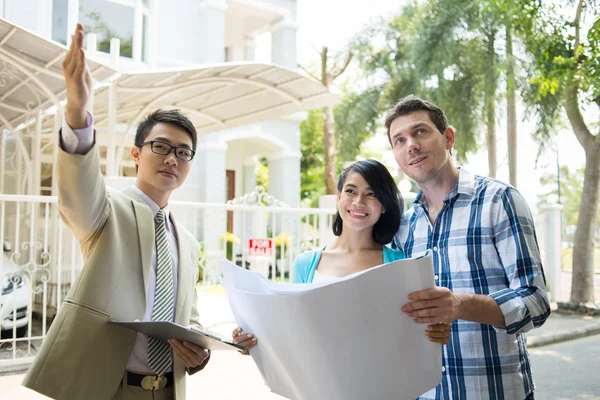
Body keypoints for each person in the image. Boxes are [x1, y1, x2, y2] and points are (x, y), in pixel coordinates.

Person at [23, 24, 210, 400]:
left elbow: (187, 317)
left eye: (183, 152)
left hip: (167, 391)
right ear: (136, 154)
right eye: (161, 146)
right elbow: (78, 191)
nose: (173, 158)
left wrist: (199, 352)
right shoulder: (108, 212)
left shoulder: (187, 242)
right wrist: (78, 109)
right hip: (105, 388)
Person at [387, 95, 551, 400]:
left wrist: (460, 305)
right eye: (399, 140)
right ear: (397, 156)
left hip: (495, 392)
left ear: (448, 138)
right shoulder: (403, 226)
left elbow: (536, 301)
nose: (410, 144)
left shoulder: (499, 200)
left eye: (420, 131)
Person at [232, 159, 452, 351]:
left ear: (384, 206)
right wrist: (252, 340)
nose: (358, 202)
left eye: (371, 194)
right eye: (350, 191)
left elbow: (414, 333)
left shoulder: (399, 263)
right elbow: (291, 331)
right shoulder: (306, 264)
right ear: (339, 197)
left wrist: (435, 331)